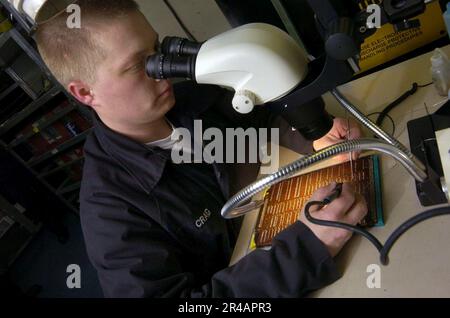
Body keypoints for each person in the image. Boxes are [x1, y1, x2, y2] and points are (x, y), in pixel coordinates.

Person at [35, 0, 367, 297]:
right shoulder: (110, 211)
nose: (162, 70)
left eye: (156, 49)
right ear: (84, 93)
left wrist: (313, 133)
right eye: (138, 65)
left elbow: (264, 115)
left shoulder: (192, 98)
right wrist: (305, 251)